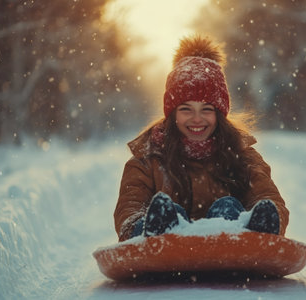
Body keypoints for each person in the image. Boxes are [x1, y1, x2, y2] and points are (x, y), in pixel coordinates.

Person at [114, 35, 289, 242]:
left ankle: (243, 230)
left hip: (230, 240)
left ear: (219, 114)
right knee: (168, 209)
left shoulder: (242, 154)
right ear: (172, 114)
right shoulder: (148, 157)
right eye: (186, 109)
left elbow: (267, 196)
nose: (197, 119)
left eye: (206, 109)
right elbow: (130, 206)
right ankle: (162, 229)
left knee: (228, 206)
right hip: (169, 245)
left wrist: (268, 217)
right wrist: (139, 226)